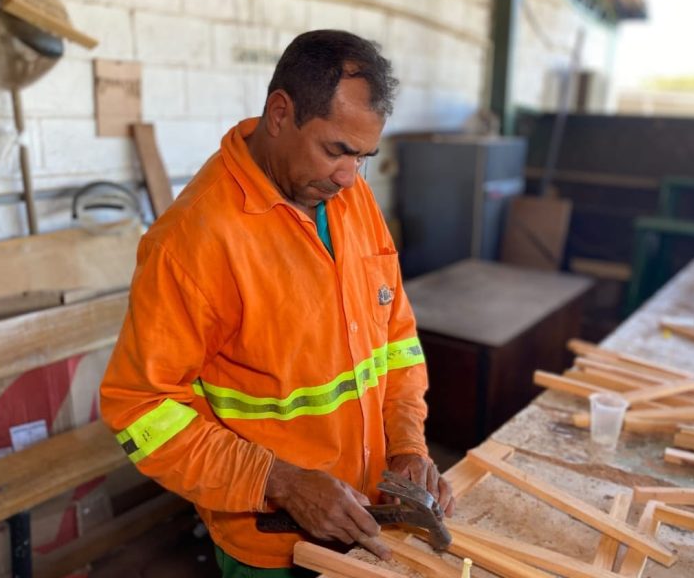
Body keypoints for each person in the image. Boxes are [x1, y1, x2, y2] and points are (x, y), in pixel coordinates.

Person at [99, 29, 454, 577]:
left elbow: (395, 339)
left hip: (371, 518)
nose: (348, 177)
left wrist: (406, 445)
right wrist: (280, 482)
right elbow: (141, 407)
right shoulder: (193, 240)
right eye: (336, 149)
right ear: (280, 113)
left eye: (362, 156)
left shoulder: (351, 198)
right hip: (274, 544)